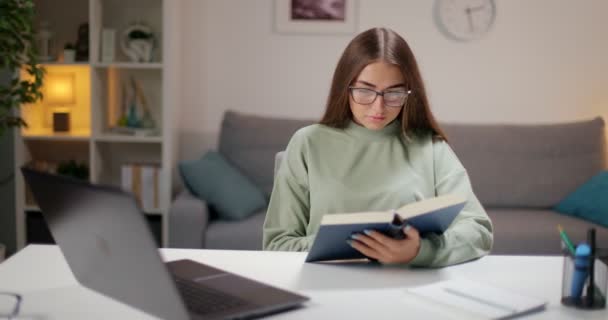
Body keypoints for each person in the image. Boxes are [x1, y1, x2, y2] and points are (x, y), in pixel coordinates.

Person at [262, 27, 493, 267]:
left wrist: (420, 250)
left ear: (409, 92)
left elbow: (478, 229)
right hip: (325, 286)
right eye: (365, 90)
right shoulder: (307, 143)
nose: (378, 108)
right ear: (345, 86)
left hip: (407, 286)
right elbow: (277, 244)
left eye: (394, 93)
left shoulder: (430, 146)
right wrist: (361, 249)